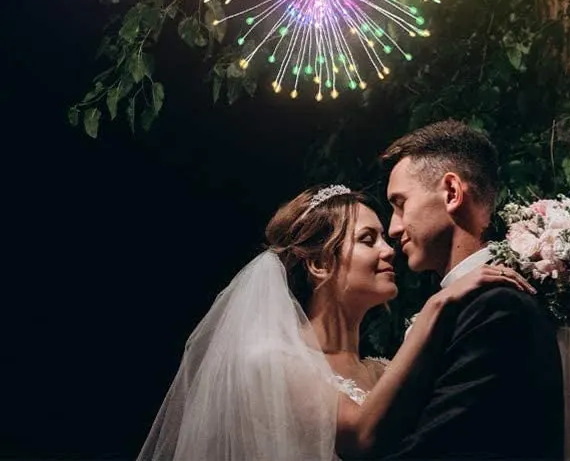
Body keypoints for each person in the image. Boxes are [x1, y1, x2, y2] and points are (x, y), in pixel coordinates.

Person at [137, 183, 533, 461]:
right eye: (368, 239)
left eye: (384, 238)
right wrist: (437, 306)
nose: (389, 250)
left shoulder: (382, 369)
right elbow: (359, 437)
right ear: (319, 263)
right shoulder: (270, 361)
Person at [382, 119, 565, 461]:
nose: (392, 228)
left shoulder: (497, 306)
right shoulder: (474, 303)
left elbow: (438, 448)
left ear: (452, 193)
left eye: (400, 203)